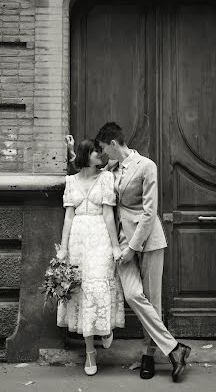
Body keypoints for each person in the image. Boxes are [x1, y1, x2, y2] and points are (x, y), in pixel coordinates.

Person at [66, 123, 191, 382]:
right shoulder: (111, 168)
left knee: (153, 301)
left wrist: (134, 248)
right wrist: (71, 152)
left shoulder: (147, 166)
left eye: (102, 149)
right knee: (134, 294)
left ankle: (149, 355)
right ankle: (176, 348)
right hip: (121, 242)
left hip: (149, 241)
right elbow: (84, 172)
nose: (101, 155)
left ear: (113, 143)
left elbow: (149, 212)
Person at [56, 138, 125, 376]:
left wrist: (116, 247)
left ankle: (105, 330)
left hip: (100, 239)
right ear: (87, 155)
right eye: (96, 152)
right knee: (82, 293)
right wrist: (63, 248)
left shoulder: (106, 178)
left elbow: (108, 216)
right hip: (77, 242)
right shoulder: (71, 182)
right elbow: (68, 218)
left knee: (98, 288)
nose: (101, 155)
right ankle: (90, 353)